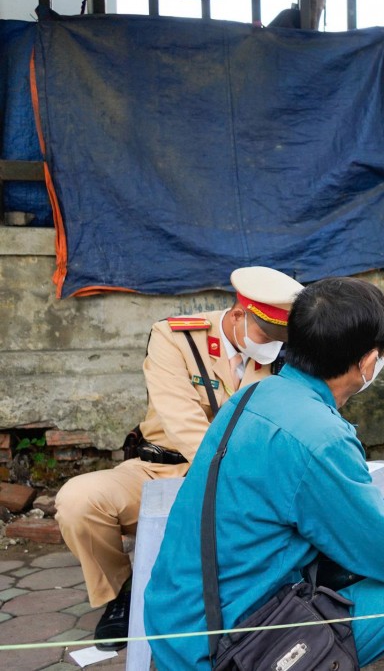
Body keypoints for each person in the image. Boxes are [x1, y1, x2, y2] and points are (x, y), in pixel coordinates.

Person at [145, 277, 384, 669]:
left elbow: (343, 514)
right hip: (234, 651)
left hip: (179, 629)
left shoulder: (251, 397)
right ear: (367, 363)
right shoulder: (320, 435)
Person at [56, 266, 302, 650]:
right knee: (79, 501)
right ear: (238, 314)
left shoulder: (282, 355)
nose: (272, 346)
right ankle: (121, 593)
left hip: (246, 475)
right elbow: (183, 423)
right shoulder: (177, 337)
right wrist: (231, 476)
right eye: (265, 335)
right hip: (162, 470)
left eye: (279, 338)